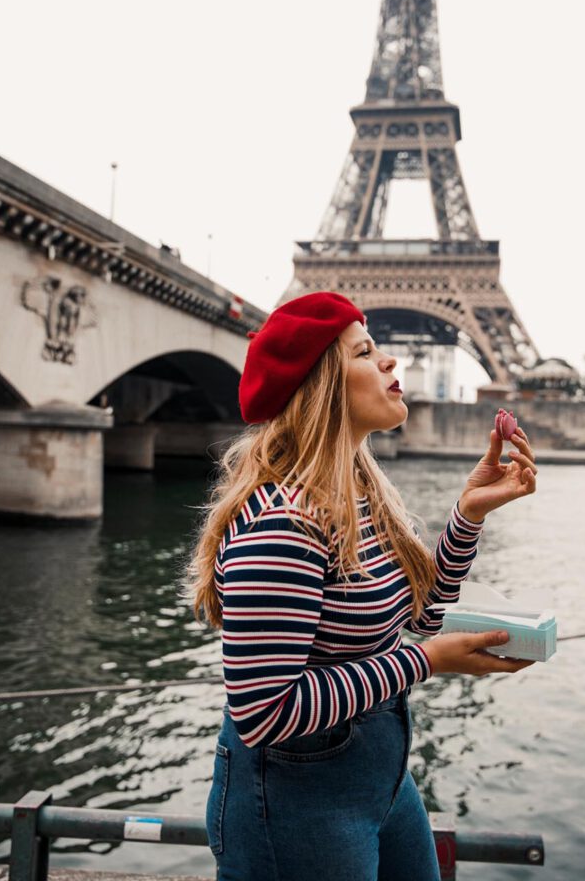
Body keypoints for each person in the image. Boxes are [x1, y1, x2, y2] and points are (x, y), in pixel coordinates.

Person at [187, 291, 538, 881]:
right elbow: (264, 713)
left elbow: (421, 619)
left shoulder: (358, 501)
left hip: (381, 778)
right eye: (365, 352)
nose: (390, 362)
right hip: (297, 806)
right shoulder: (284, 524)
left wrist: (469, 515)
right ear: (323, 384)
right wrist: (425, 663)